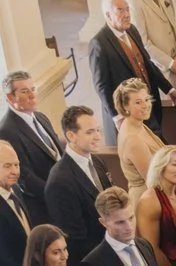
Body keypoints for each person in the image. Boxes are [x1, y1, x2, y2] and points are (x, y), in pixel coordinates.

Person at [85, 0, 174, 141]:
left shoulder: (132, 30)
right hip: (126, 114)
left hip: (147, 105)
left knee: (158, 147)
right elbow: (102, 86)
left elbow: (147, 64)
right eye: (121, 10)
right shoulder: (98, 43)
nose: (127, 14)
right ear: (108, 15)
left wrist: (169, 89)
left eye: (127, 9)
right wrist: (117, 116)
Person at [45, 106, 120, 252]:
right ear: (71, 136)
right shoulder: (59, 181)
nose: (98, 136)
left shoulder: (98, 162)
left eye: (98, 130)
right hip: (91, 257)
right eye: (90, 132)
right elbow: (74, 238)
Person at [0, 71, 64, 218]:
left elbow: (57, 153)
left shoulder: (41, 117)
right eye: (25, 91)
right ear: (10, 97)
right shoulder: (6, 131)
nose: (32, 95)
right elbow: (23, 176)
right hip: (45, 205)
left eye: (33, 89)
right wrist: (56, 194)